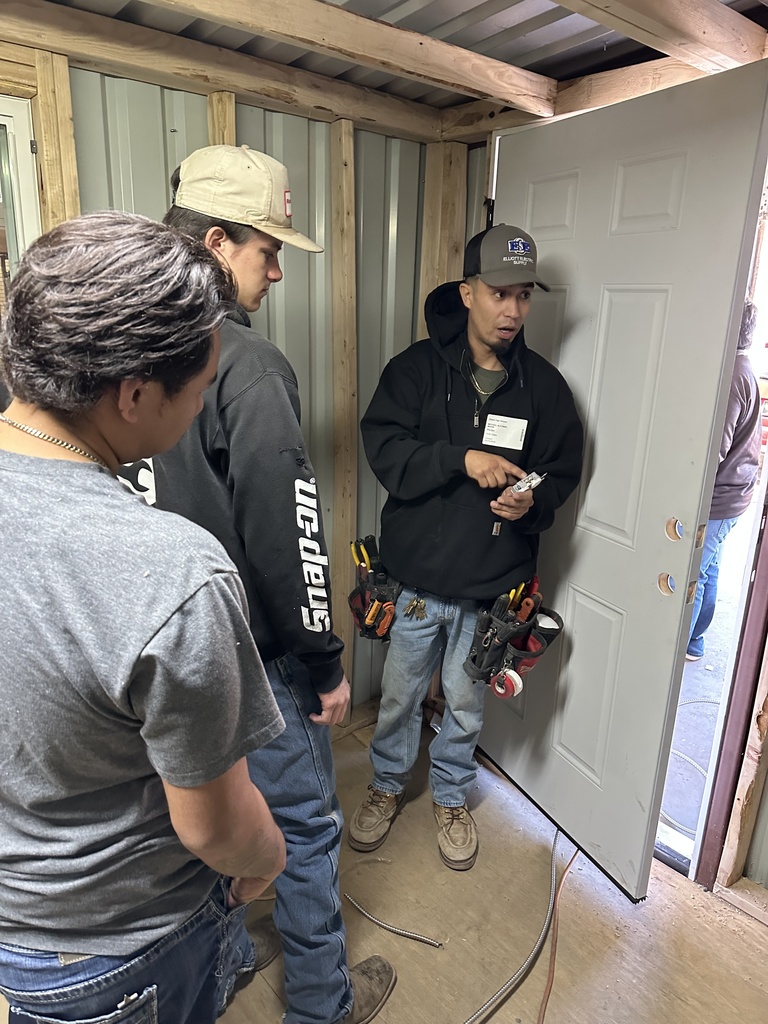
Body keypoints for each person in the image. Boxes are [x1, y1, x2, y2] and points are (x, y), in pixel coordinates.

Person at [0, 211, 287, 1022]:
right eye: (197, 391)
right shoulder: (173, 573)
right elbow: (216, 829)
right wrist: (269, 856)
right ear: (132, 394)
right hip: (126, 949)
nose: (200, 409)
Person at [149, 144, 395, 1024]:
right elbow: (289, 534)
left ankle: (220, 973)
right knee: (304, 827)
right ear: (218, 243)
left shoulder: (113, 358)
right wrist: (325, 664)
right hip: (252, 659)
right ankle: (323, 1004)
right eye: (268, 250)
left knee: (198, 833)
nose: (279, 271)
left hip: (161, 669)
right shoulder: (243, 364)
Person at [349, 224, 583, 871]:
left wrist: (531, 500)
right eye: (499, 293)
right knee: (398, 696)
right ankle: (386, 785)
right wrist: (461, 458)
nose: (512, 310)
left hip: (491, 590)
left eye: (524, 296)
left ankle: (451, 795)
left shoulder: (544, 390)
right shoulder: (415, 372)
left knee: (466, 701)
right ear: (469, 290)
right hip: (417, 585)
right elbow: (386, 452)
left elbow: (560, 471)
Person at [686, 300, 762, 662]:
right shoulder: (743, 366)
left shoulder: (730, 374)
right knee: (711, 565)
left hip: (722, 495)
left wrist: (685, 486)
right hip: (737, 490)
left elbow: (717, 447)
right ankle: (696, 640)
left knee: (694, 574)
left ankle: (679, 645)